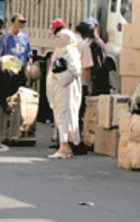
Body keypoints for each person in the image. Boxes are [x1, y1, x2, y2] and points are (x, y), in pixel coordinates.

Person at [46, 18, 82, 159]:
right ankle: (65, 144)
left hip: (65, 89)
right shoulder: (62, 50)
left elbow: (75, 71)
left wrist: (60, 78)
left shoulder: (71, 52)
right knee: (61, 115)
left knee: (64, 116)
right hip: (59, 90)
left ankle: (64, 146)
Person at [80, 18, 111, 96]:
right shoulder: (89, 42)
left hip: (98, 85)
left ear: (96, 28)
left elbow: (97, 66)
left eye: (91, 27)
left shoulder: (96, 43)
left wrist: (91, 84)